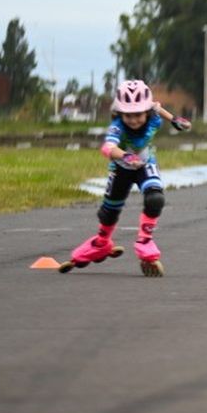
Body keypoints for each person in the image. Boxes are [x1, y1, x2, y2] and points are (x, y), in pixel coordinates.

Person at [61, 79, 190, 277]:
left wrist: (174, 120)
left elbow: (158, 108)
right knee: (108, 213)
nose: (134, 120)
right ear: (120, 113)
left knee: (155, 198)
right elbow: (107, 148)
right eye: (128, 115)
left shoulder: (153, 114)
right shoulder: (118, 126)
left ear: (146, 111)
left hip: (145, 164)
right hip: (121, 167)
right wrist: (125, 156)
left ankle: (144, 241)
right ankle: (102, 243)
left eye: (138, 114)